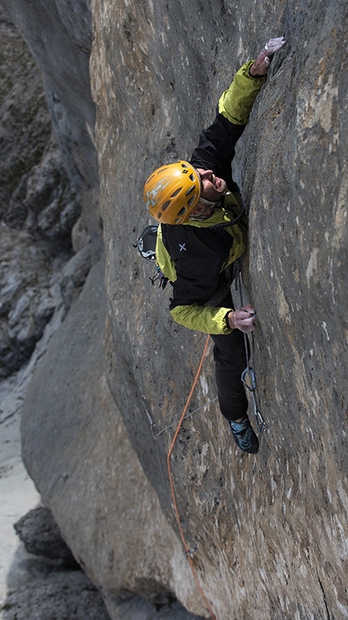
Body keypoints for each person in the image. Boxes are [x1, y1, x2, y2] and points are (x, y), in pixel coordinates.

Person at [143, 37, 286, 454]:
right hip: (210, 279)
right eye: (203, 186)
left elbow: (226, 120)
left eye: (200, 173)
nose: (210, 178)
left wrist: (253, 70)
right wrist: (227, 319)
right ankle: (237, 418)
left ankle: (151, 240)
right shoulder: (197, 261)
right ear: (193, 211)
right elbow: (183, 310)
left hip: (200, 241)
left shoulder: (200, 171)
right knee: (231, 356)